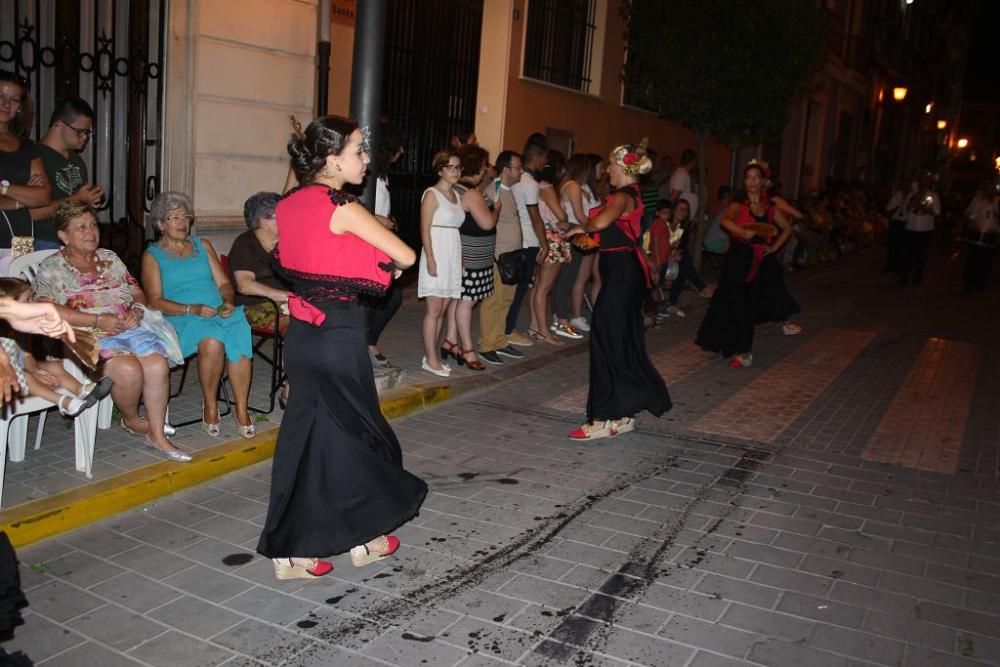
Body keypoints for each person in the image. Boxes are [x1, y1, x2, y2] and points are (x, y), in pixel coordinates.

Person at [256, 115, 425, 580]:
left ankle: (301, 549)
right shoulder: (343, 205)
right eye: (358, 150)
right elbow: (406, 256)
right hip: (339, 334)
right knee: (361, 435)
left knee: (309, 438)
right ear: (332, 159)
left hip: (305, 336)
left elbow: (301, 255)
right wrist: (375, 258)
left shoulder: (288, 204)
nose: (365, 159)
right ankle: (359, 535)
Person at [34, 201, 189, 460]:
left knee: (156, 364)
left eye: (93, 224)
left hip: (126, 326)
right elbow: (46, 309)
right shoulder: (53, 267)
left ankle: (157, 437)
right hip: (83, 334)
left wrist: (136, 312)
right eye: (81, 227)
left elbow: (137, 292)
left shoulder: (109, 258)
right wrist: (96, 321)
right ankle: (131, 419)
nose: (91, 231)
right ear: (63, 235)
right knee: (128, 369)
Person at [565, 142, 671, 440]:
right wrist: (580, 235)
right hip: (622, 269)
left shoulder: (624, 196)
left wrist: (580, 226)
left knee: (606, 338)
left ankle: (604, 417)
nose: (607, 168)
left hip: (624, 272)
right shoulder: (625, 196)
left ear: (624, 167)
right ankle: (622, 413)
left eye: (611, 164)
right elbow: (605, 236)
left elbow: (598, 222)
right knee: (617, 339)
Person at [142, 192, 256, 439]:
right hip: (181, 317)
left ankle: (242, 409)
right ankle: (211, 406)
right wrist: (192, 309)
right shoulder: (152, 256)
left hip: (216, 310)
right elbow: (154, 301)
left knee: (239, 332)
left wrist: (227, 301)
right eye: (174, 217)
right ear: (160, 224)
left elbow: (224, 283)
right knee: (212, 340)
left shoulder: (202, 245)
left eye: (186, 217)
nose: (183, 222)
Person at [696, 161, 794, 368]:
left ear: (763, 181)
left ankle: (744, 351)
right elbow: (725, 221)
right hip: (739, 258)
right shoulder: (738, 204)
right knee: (732, 302)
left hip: (760, 260)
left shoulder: (769, 207)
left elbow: (786, 228)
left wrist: (774, 248)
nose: (752, 181)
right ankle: (731, 343)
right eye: (748, 177)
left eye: (756, 177)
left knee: (750, 305)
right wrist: (742, 232)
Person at [0, 277, 113, 415]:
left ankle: (81, 390)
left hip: (22, 369)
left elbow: (27, 357)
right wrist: (31, 374)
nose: (32, 305)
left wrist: (36, 370)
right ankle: (64, 402)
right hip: (13, 381)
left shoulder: (21, 330)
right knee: (25, 376)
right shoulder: (4, 334)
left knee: (53, 366)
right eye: (26, 301)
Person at [229, 191, 291, 407]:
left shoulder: (288, 242)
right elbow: (244, 285)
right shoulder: (245, 244)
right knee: (300, 327)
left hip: (286, 303)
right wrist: (284, 297)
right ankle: (290, 389)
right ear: (264, 221)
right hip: (254, 307)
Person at [443, 145, 500, 372]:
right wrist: (497, 209)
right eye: (485, 165)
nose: (487, 170)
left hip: (463, 253)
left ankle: (450, 340)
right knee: (467, 302)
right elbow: (487, 222)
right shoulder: (470, 192)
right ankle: (467, 349)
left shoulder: (456, 187)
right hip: (472, 256)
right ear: (479, 167)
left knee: (458, 300)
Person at [28, 98, 104, 250]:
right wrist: (77, 199)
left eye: (87, 133)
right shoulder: (34, 156)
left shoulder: (76, 159)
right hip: (44, 241)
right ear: (59, 124)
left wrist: (90, 201)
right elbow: (31, 213)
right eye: (80, 132)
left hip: (75, 242)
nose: (85, 137)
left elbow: (79, 205)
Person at [417, 150, 465, 377]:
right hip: (437, 251)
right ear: (440, 170)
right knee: (434, 310)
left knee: (444, 309)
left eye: (458, 167)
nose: (456, 172)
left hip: (452, 252)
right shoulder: (431, 194)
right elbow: (424, 229)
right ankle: (431, 359)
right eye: (451, 167)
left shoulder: (457, 195)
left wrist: (460, 260)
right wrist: (431, 258)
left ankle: (431, 356)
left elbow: (458, 231)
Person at [477, 150, 526, 365]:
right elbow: (487, 220)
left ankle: (499, 340)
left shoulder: (509, 189)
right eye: (518, 166)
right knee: (493, 301)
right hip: (499, 256)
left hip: (512, 255)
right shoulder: (495, 189)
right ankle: (487, 344)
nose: (521, 170)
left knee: (506, 299)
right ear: (506, 169)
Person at [0, 70, 51, 272]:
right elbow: (33, 198)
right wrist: (23, 198)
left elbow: (44, 196)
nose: (6, 104)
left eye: (14, 99)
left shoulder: (27, 146)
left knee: (19, 296)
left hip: (21, 239)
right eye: (1, 97)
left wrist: (4, 188)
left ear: (20, 107)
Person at [366, 119, 406, 368]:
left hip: (379, 241)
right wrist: (380, 219)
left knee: (389, 297)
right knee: (387, 296)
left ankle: (368, 342)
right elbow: (354, 206)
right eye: (398, 147)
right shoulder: (368, 175)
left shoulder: (381, 176)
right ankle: (366, 343)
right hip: (368, 243)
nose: (401, 153)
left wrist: (387, 220)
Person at [505, 141, 548, 344]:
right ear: (537, 156)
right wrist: (545, 243)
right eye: (544, 158)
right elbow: (535, 217)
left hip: (515, 237)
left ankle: (506, 327)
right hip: (528, 239)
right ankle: (509, 329)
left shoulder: (515, 181)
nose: (545, 162)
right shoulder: (529, 183)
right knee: (520, 287)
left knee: (513, 287)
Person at [529, 149, 574, 344]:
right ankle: (544, 331)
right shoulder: (546, 188)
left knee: (538, 285)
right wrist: (564, 219)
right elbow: (561, 216)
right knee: (544, 288)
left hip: (542, 236)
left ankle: (535, 326)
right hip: (552, 238)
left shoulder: (536, 185)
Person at [553, 153, 599, 333]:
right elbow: (580, 215)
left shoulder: (569, 185)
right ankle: (561, 317)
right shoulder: (572, 186)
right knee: (568, 277)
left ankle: (559, 315)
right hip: (575, 232)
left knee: (568, 276)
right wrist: (596, 224)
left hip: (574, 231)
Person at [662, 198, 713, 318]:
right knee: (684, 259)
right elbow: (657, 245)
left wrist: (675, 253)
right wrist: (672, 253)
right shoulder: (664, 224)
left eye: (686, 210)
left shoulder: (683, 229)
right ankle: (702, 287)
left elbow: (681, 247)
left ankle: (672, 303)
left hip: (674, 261)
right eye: (681, 209)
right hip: (661, 258)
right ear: (673, 210)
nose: (683, 212)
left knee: (683, 265)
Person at [899, 173, 940, 286]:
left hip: (925, 229)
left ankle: (917, 276)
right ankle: (904, 277)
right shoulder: (912, 194)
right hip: (911, 227)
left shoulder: (933, 196)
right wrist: (914, 202)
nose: (923, 183)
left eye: (926, 181)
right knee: (907, 254)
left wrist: (925, 208)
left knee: (921, 255)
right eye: (922, 181)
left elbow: (937, 212)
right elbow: (905, 209)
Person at [961, 185, 998, 293]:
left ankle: (980, 284)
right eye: (988, 189)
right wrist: (970, 221)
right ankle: (968, 284)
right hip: (975, 234)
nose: (990, 191)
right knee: (971, 261)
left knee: (985, 262)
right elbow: (967, 213)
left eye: (992, 190)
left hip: (990, 235)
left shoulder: (997, 202)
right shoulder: (977, 200)